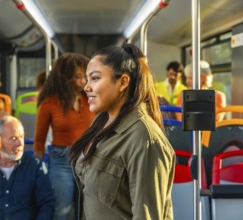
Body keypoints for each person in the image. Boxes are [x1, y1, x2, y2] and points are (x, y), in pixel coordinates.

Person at [70, 44, 175, 219]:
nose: (86, 87)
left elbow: (147, 214)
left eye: (95, 78)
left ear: (123, 82)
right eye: (87, 80)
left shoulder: (144, 139)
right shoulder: (101, 121)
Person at [34, 53, 95, 220]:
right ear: (65, 78)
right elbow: (39, 140)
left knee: (85, 211)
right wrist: (38, 168)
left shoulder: (92, 99)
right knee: (61, 211)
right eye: (78, 77)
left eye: (86, 76)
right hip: (61, 160)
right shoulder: (49, 103)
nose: (83, 81)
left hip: (88, 158)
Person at [0, 115, 55, 220]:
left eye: (21, 137)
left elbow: (47, 204)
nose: (20, 143)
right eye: (13, 138)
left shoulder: (35, 167)